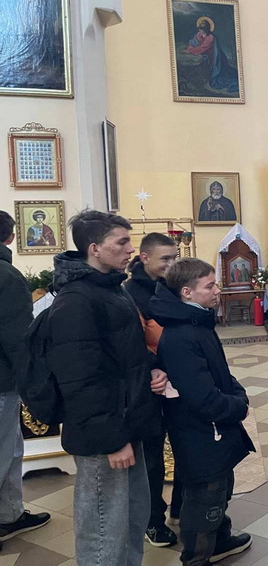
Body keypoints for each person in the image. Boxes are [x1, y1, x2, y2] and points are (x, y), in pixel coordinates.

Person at [46, 209, 166, 566]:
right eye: (122, 242)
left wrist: (150, 370)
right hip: (105, 436)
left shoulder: (111, 288)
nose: (131, 249)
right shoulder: (76, 300)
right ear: (95, 249)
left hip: (128, 422)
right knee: (104, 529)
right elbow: (81, 380)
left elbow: (124, 353)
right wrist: (112, 440)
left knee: (131, 520)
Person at [150, 258, 254, 566]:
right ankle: (196, 557)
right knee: (205, 499)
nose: (217, 290)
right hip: (200, 433)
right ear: (187, 292)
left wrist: (236, 392)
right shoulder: (182, 335)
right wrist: (237, 406)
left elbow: (218, 374)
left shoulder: (196, 323)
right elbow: (202, 398)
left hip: (213, 431)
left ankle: (219, 541)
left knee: (219, 490)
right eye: (210, 286)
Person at [124, 233, 180, 547]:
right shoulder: (129, 293)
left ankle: (182, 506)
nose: (171, 264)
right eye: (165, 259)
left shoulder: (172, 286)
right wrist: (153, 368)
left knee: (185, 446)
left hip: (180, 379)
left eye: (175, 258)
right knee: (153, 458)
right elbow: (131, 343)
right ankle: (152, 520)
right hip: (151, 385)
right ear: (145, 258)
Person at [0, 211, 50, 550]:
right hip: (2, 381)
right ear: (12, 237)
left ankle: (10, 514)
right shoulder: (7, 276)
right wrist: (33, 379)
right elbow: (17, 338)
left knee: (12, 448)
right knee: (4, 450)